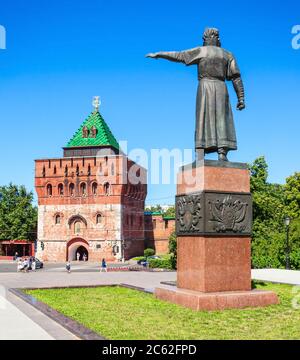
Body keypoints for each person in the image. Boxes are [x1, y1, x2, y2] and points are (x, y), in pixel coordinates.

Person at [147, 28, 245, 162]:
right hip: (221, 88)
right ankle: (222, 153)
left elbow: (179, 55)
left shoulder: (202, 51)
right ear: (216, 39)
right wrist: (241, 98)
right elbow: (236, 77)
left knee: (202, 119)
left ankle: (201, 153)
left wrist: (159, 54)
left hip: (205, 88)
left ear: (205, 39)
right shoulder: (227, 54)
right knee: (221, 118)